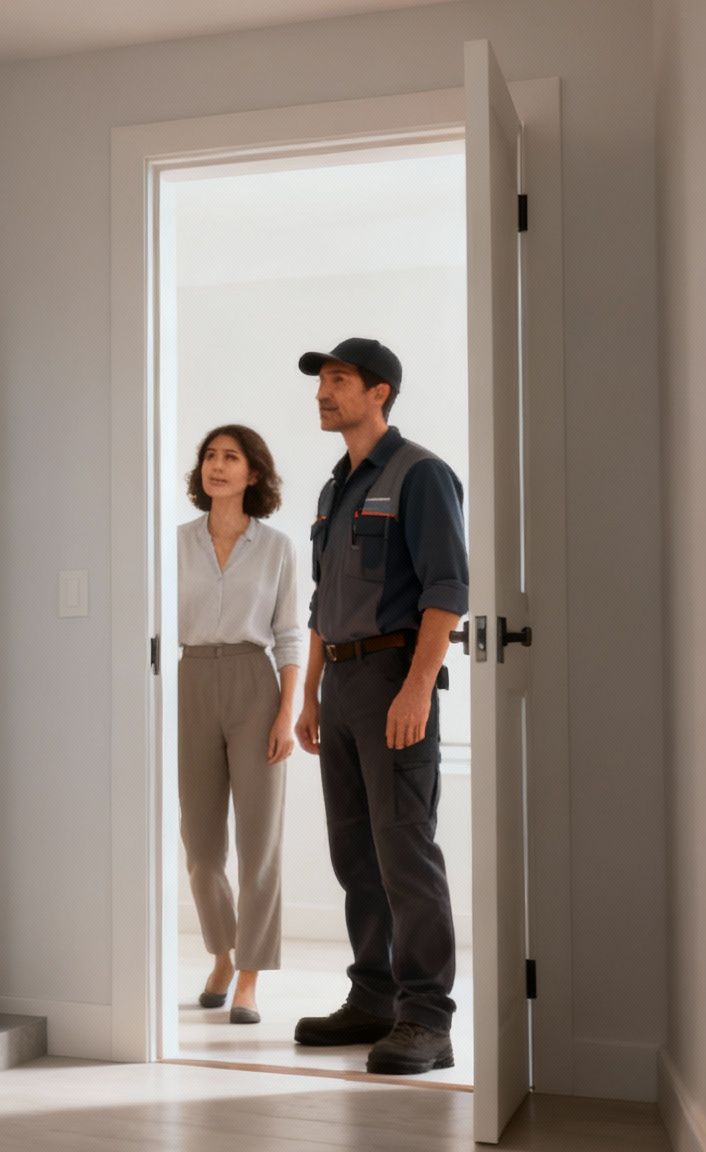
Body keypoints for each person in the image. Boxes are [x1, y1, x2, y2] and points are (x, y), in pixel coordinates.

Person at [291, 337, 469, 1075]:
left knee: (405, 853)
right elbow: (321, 602)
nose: (323, 393)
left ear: (380, 392)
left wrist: (418, 686)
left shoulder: (420, 474)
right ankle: (373, 998)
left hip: (395, 678)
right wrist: (307, 693)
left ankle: (426, 1017)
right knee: (354, 852)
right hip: (339, 683)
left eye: (339, 380)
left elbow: (447, 590)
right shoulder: (335, 488)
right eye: (321, 381)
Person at [176, 424, 304, 1026]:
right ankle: (222, 955)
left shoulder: (276, 547)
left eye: (231, 457)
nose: (217, 466)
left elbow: (289, 633)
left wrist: (288, 709)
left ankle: (249, 978)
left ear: (254, 473)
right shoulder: (173, 543)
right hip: (191, 680)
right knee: (201, 850)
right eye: (210, 456)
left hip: (257, 685)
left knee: (260, 845)